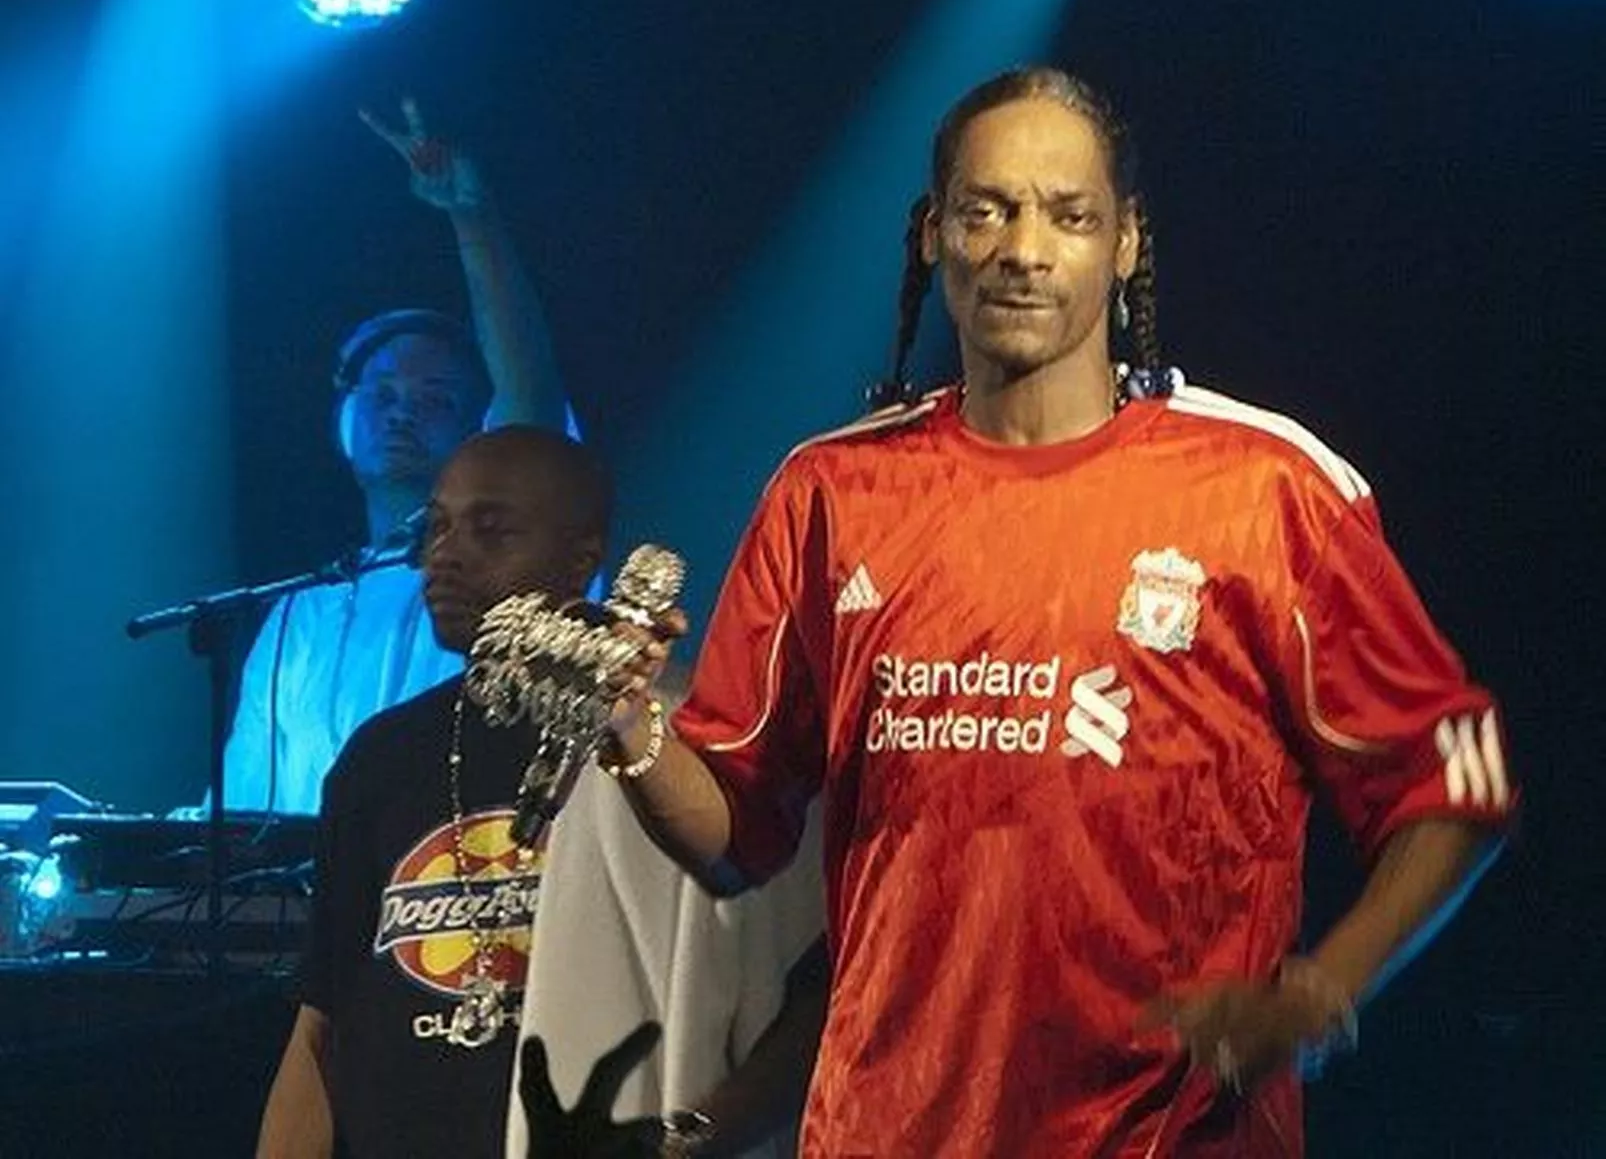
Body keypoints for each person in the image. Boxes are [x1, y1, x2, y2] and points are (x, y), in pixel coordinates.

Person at [594, 68, 1517, 1157]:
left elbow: (1452, 780)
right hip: (882, 1131)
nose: (1022, 249)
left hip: (1171, 1136)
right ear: (935, 233)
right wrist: (624, 720)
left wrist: (1320, 989)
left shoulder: (1264, 489)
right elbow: (734, 836)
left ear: (1125, 241)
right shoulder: (829, 494)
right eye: (985, 210)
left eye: (1068, 215)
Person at [255, 427, 826, 1159]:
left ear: (582, 555)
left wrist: (691, 1140)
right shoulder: (380, 756)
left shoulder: (686, 740)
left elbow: (812, 1000)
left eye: (490, 530)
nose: (445, 554)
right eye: (437, 526)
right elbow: (321, 1027)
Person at [221, 99, 571, 814]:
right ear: (343, 422)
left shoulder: (512, 575)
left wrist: (471, 219)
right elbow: (241, 820)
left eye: (435, 396)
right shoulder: (295, 616)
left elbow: (530, 399)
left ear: (482, 428)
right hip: (305, 922)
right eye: (382, 392)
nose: (402, 409)